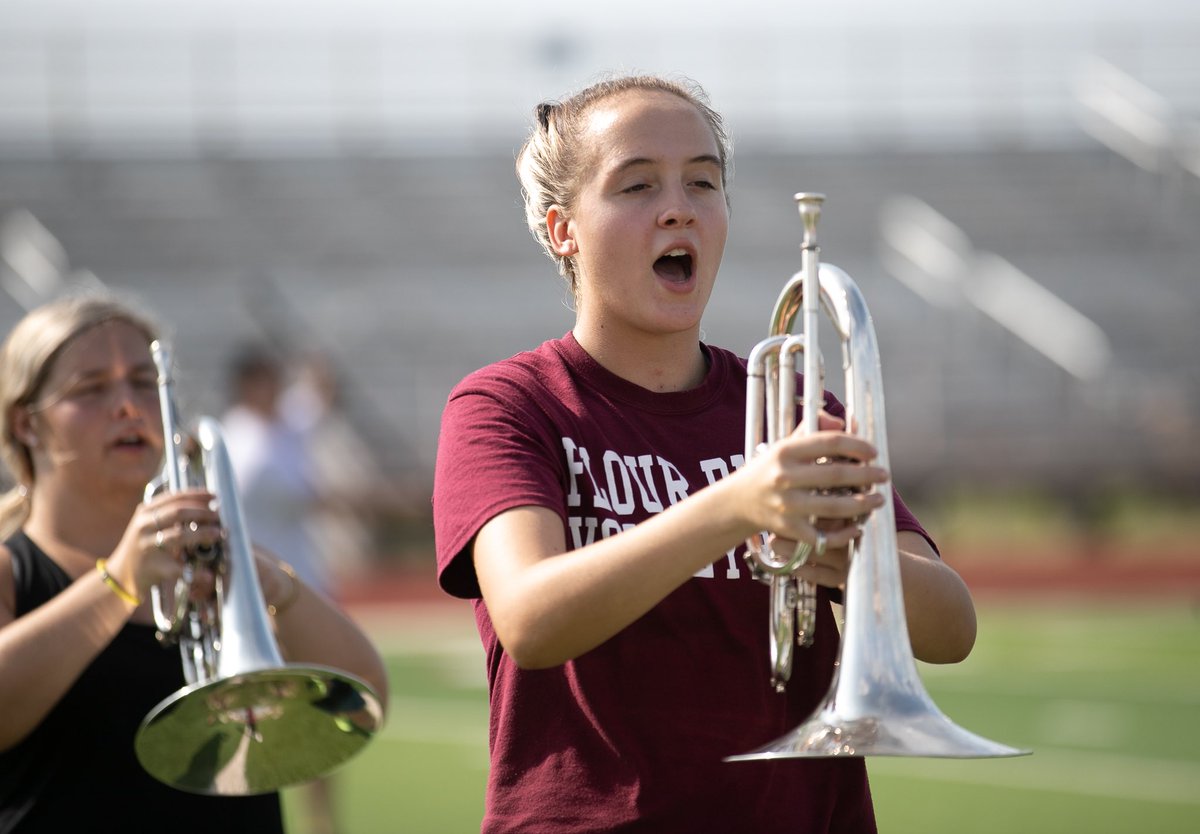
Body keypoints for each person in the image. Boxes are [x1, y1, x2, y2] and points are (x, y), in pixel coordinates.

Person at [432, 74, 979, 833]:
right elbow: (530, 619)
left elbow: (951, 629)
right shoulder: (508, 405)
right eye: (635, 185)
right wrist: (734, 506)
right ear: (563, 229)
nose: (678, 207)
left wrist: (851, 562)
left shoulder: (796, 412)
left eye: (703, 181)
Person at [0, 294, 389, 832]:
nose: (128, 406)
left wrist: (275, 587)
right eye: (91, 389)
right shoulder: (9, 571)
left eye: (143, 383)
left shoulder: (209, 559)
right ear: (25, 424)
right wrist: (118, 584)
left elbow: (363, 696)